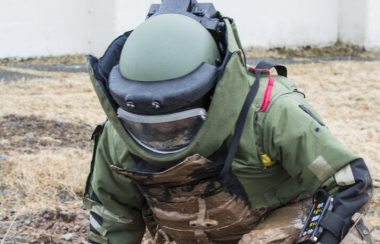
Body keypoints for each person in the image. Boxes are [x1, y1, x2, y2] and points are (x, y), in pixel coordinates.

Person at [84, 0, 373, 243]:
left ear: (213, 99)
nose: (163, 136)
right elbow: (113, 221)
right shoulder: (116, 138)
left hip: (282, 228)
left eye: (178, 125)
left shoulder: (270, 113)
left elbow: (348, 185)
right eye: (147, 128)